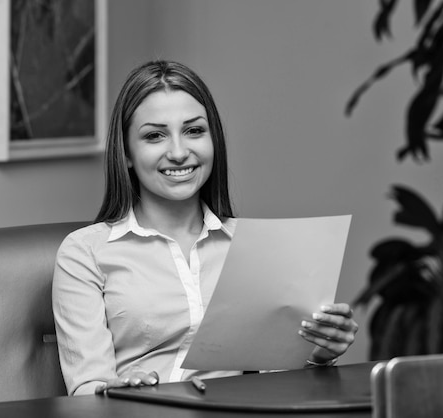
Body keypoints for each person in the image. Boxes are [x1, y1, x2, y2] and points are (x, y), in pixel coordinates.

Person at [52, 60, 359, 396]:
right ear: (126, 152)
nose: (180, 152)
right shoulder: (85, 252)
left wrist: (318, 353)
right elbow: (85, 389)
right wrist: (116, 390)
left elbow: (278, 378)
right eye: (155, 136)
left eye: (194, 131)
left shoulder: (252, 247)